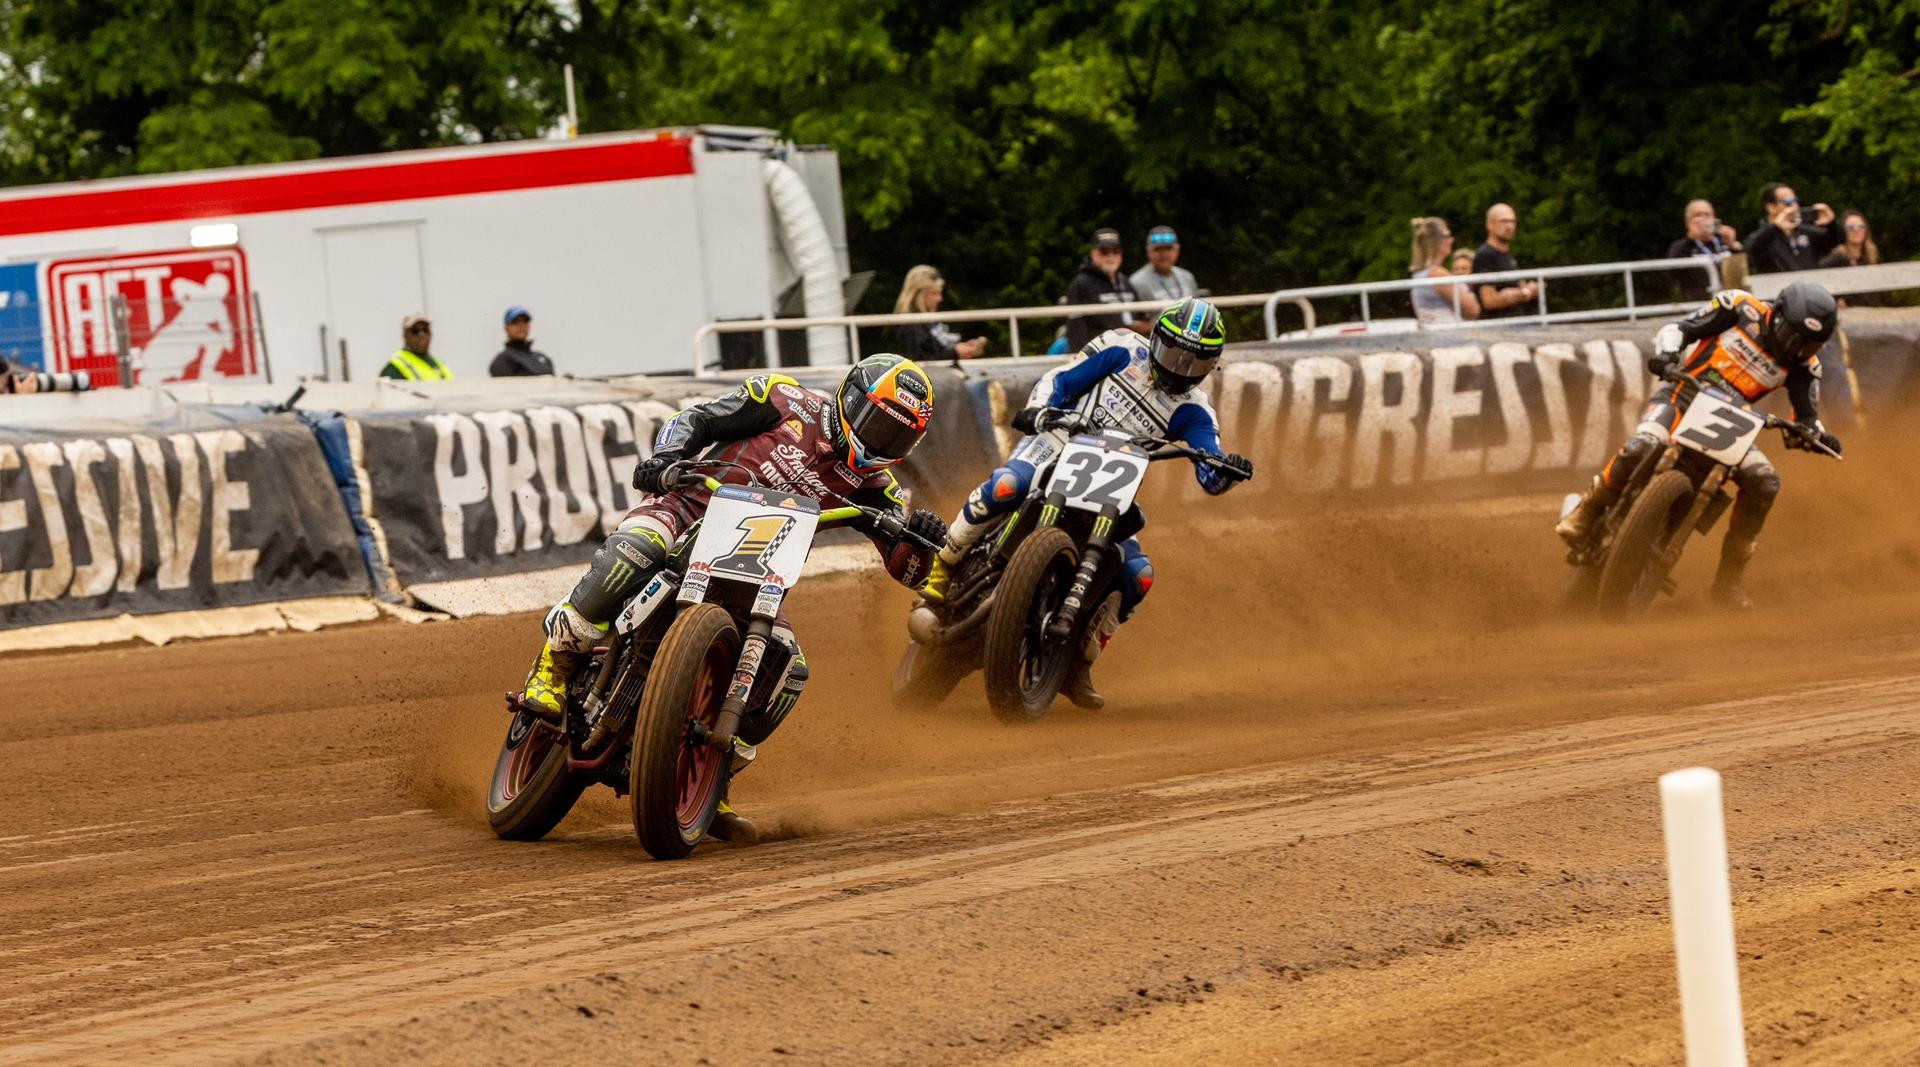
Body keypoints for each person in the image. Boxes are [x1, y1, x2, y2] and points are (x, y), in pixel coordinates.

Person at [516, 354, 946, 838]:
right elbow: (695, 419)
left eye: (897, 435)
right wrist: (666, 460)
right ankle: (554, 666)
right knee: (637, 548)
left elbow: (906, 570)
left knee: (790, 670)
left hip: (760, 576)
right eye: (877, 423)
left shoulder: (878, 489)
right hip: (686, 510)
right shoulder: (784, 398)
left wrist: (919, 539)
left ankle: (712, 773)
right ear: (849, 399)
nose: (880, 441)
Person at [918, 297, 1254, 708]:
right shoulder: (1120, 347)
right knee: (1007, 486)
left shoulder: (1196, 411)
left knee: (1138, 575)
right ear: (1155, 341)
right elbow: (1062, 378)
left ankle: (1077, 660)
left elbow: (1210, 469)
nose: (1180, 368)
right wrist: (1042, 410)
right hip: (1059, 439)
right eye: (1174, 354)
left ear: (1210, 365)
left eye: (1193, 363)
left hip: (1112, 486)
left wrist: (1225, 469)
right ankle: (941, 565)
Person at [1554, 283, 1841, 609]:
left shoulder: (1806, 367)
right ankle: (1586, 511)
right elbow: (1680, 329)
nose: (1795, 348)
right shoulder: (1741, 307)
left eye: (1807, 344)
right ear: (1776, 315)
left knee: (1765, 480)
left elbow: (1806, 416)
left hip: (1736, 422)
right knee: (1641, 446)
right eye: (1792, 336)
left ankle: (1729, 580)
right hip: (1684, 395)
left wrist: (1814, 436)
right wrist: (1667, 355)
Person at [1063, 228, 1145, 350]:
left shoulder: (1125, 281)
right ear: (1092, 253)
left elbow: (1141, 316)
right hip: (1102, 352)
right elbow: (1076, 330)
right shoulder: (1081, 284)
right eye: (1104, 251)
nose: (1110, 256)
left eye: (1115, 251)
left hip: (1131, 350)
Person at [890, 265, 985, 362]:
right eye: (934, 293)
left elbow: (937, 350)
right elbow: (919, 361)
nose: (940, 299)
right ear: (919, 295)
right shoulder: (910, 325)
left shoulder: (927, 320)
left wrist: (963, 349)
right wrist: (955, 352)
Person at [1744, 183, 1840, 274]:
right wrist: (1775, 228)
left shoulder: (1806, 232)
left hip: (1808, 289)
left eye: (1796, 201)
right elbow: (1749, 254)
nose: (1795, 206)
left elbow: (1836, 242)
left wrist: (1832, 224)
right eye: (1789, 202)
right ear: (1771, 207)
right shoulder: (1763, 237)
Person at [1472, 203, 1542, 320]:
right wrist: (1525, 293)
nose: (1510, 226)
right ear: (1490, 224)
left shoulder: (1507, 254)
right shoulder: (1485, 255)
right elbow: (1489, 301)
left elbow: (1518, 286)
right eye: (1504, 221)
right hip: (1497, 328)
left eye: (1512, 222)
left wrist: (1530, 289)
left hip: (1514, 324)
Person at [1409, 217, 1480, 326]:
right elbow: (1473, 311)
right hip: (1448, 338)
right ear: (1437, 241)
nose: (1452, 240)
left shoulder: (1419, 274)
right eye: (1447, 236)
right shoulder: (1437, 275)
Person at [1666, 200, 1743, 301]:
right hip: (1700, 305)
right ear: (1688, 222)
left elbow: (1748, 266)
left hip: (1731, 302)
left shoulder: (1725, 241)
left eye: (1707, 214)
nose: (1703, 219)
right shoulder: (1683, 246)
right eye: (1698, 215)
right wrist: (1691, 238)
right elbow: (1672, 271)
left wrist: (1734, 246)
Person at [1819, 210, 1881, 308]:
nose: (1857, 230)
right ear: (1843, 230)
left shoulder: (1870, 256)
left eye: (1861, 226)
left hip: (1868, 312)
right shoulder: (1836, 257)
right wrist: (1837, 300)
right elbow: (1820, 282)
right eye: (1851, 227)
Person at [1129, 226, 1199, 303]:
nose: (1164, 254)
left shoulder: (1187, 277)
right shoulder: (1137, 282)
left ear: (1177, 250)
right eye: (1158, 249)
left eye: (1168, 248)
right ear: (1148, 252)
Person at [380, 314, 453, 381]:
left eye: (425, 330)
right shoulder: (395, 367)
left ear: (430, 334)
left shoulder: (439, 364)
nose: (422, 334)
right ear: (406, 335)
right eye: (415, 330)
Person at [488, 306, 555, 377]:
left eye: (525, 321)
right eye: (515, 322)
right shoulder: (503, 360)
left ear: (529, 326)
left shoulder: (543, 359)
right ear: (506, 329)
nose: (521, 325)